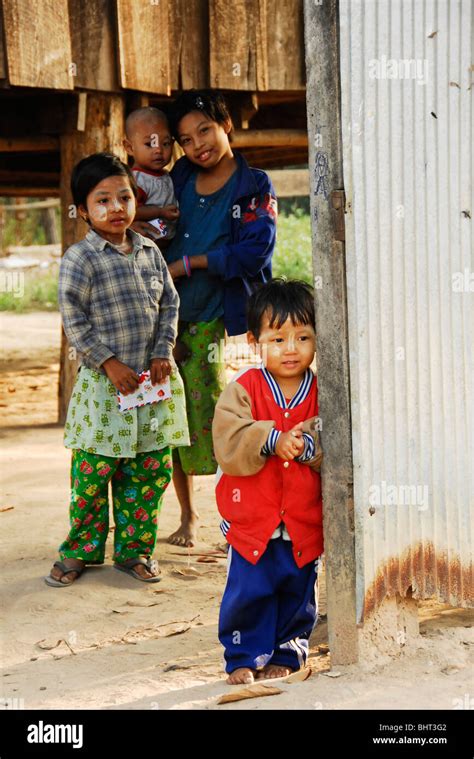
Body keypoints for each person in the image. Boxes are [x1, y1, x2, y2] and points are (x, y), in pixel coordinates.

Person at [132, 89, 277, 547]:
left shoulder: (254, 185)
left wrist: (191, 263)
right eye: (186, 139)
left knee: (221, 415)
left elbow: (256, 250)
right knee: (170, 415)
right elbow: (144, 226)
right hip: (168, 319)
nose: (198, 145)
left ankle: (242, 512)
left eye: (205, 131)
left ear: (226, 125)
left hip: (222, 321)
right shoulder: (177, 180)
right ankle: (189, 517)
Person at [45, 152, 189, 587]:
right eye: (102, 200)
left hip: (150, 387)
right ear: (84, 211)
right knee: (93, 474)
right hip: (105, 392)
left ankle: (135, 551)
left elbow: (169, 304)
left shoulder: (149, 251)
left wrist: (164, 349)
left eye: (123, 196)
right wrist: (108, 364)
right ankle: (80, 551)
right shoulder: (80, 259)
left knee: (147, 472)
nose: (116, 208)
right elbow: (74, 320)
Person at [212, 279, 323, 684]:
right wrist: (271, 439)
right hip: (252, 518)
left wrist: (309, 444)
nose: (290, 348)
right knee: (248, 589)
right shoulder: (243, 389)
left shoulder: (325, 390)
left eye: (303, 336)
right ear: (255, 341)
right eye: (277, 338)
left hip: (302, 517)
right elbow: (228, 438)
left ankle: (288, 651)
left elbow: (336, 434)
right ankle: (242, 654)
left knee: (298, 589)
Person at [123, 107, 179, 241]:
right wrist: (160, 212)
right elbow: (130, 211)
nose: (158, 150)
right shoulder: (137, 180)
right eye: (149, 144)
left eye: (165, 143)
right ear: (130, 148)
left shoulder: (167, 175)